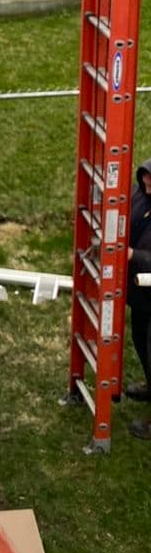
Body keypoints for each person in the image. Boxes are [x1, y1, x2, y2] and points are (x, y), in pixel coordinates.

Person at [126, 158, 151, 438]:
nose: (146, 182)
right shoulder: (139, 195)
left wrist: (135, 255)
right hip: (143, 293)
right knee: (140, 339)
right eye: (145, 176)